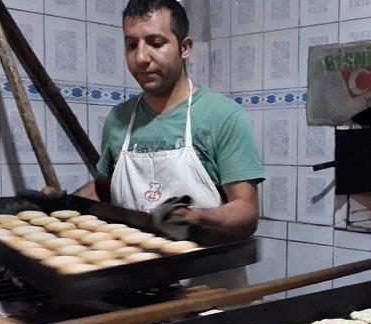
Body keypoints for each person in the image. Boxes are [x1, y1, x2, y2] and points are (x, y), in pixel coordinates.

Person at [74, 0, 263, 240]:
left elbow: (246, 211)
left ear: (184, 48)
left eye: (155, 43)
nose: (141, 57)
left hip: (205, 273)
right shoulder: (119, 118)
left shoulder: (223, 116)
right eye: (132, 45)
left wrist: (195, 218)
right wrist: (60, 204)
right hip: (136, 271)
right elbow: (103, 192)